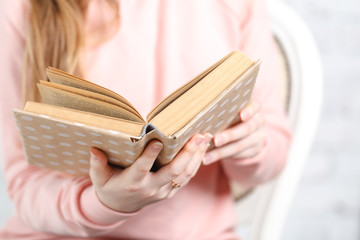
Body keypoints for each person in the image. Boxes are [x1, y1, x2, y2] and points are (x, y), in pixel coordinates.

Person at [0, 0, 291, 239]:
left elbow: (273, 151)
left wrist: (249, 145)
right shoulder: (20, 8)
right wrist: (102, 204)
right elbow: (26, 183)